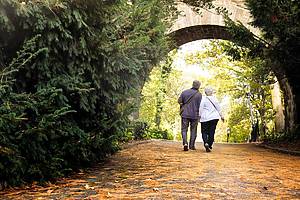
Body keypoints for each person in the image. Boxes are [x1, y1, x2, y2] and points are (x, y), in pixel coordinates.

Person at [178, 80, 202, 151]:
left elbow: (179, 101)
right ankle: (192, 145)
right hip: (195, 115)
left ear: (192, 84)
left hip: (185, 113)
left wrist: (183, 105)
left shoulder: (185, 92)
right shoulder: (199, 95)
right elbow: (201, 106)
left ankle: (185, 143)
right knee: (193, 130)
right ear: (199, 86)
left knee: (184, 129)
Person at [199, 87, 224, 152]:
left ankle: (206, 143)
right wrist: (222, 116)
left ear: (205, 92)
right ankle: (209, 144)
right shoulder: (215, 99)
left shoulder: (203, 99)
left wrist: (199, 116)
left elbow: (201, 108)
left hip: (205, 118)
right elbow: (219, 108)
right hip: (214, 118)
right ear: (212, 92)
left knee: (204, 131)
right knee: (212, 131)